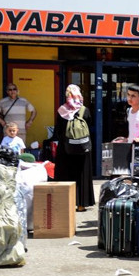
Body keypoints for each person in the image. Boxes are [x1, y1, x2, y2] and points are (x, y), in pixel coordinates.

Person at [54, 84, 95, 212]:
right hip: (82, 147)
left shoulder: (62, 110)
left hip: (65, 148)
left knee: (65, 172)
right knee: (81, 174)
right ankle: (81, 204)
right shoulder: (84, 110)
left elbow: (58, 131)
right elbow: (90, 126)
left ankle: (65, 203)